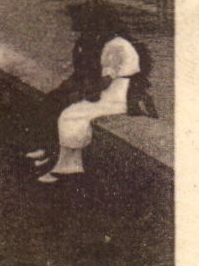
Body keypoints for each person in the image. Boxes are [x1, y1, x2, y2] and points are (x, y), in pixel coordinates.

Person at [31, 22, 141, 184]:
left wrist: (86, 94)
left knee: (71, 115)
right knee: (71, 111)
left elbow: (106, 81)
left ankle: (68, 166)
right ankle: (64, 160)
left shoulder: (116, 46)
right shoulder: (118, 43)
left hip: (117, 96)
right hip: (116, 93)